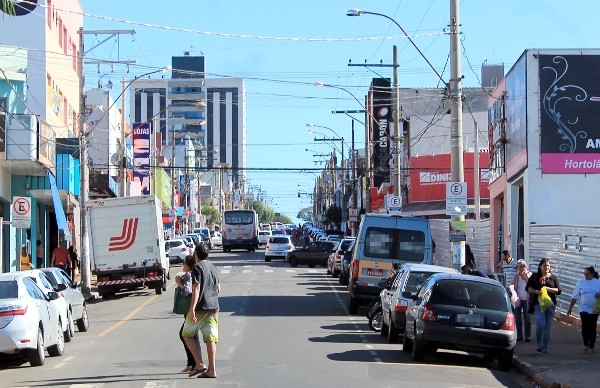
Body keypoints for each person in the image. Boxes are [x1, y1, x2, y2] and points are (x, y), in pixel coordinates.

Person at [182, 243, 220, 378]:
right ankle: (212, 370)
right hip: (214, 307)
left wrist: (192, 309)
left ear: (195, 255)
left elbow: (196, 288)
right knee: (210, 339)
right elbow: (218, 288)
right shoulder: (213, 267)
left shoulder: (197, 267)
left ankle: (199, 363)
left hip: (201, 308)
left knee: (186, 333)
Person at [526, 258, 562, 353]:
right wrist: (537, 292)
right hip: (538, 304)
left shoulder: (553, 277)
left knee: (548, 326)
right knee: (540, 324)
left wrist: (547, 288)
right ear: (540, 267)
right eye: (544, 265)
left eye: (548, 265)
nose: (546, 267)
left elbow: (558, 290)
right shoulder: (534, 276)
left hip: (550, 304)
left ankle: (545, 347)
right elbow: (528, 288)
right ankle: (539, 345)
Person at [175, 255, 202, 372]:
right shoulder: (193, 274)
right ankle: (193, 363)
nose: (182, 265)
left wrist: (179, 283)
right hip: (193, 309)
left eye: (184, 263)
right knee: (192, 335)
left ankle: (196, 363)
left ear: (188, 265)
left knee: (184, 334)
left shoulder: (188, 276)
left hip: (190, 309)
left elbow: (187, 291)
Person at [566, 266, 600, 353]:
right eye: (584, 273)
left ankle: (592, 345)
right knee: (585, 325)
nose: (585, 275)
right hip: (583, 307)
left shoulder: (598, 282)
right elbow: (575, 296)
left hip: (594, 308)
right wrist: (570, 308)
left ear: (592, 274)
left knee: (592, 326)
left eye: (587, 274)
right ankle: (586, 344)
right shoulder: (580, 282)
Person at [512, 259, 532, 342]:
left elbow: (532, 284)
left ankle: (527, 336)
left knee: (527, 318)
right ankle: (519, 336)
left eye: (521, 266)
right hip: (518, 299)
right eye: (518, 267)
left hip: (526, 299)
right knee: (517, 318)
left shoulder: (529, 275)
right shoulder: (516, 276)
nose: (520, 268)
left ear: (525, 267)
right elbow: (512, 286)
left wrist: (525, 278)